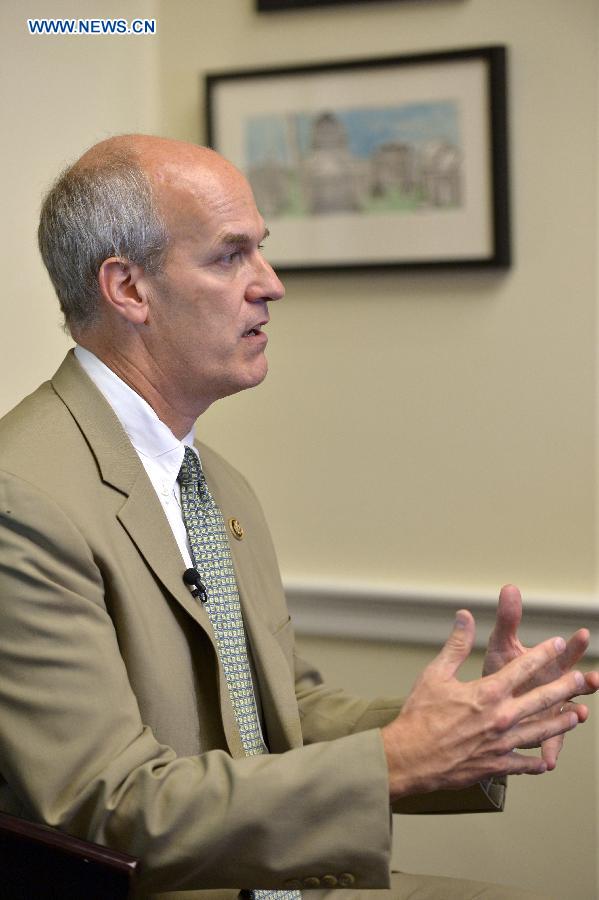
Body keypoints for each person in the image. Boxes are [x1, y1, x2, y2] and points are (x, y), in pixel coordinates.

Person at [0, 135, 596, 900]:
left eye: (262, 252)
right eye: (229, 256)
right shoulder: (24, 500)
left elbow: (277, 711)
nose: (271, 285)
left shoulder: (212, 482)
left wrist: (467, 725)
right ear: (128, 289)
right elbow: (106, 810)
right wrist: (397, 758)